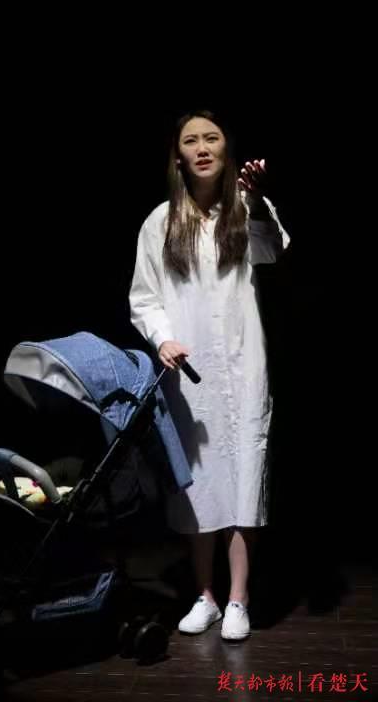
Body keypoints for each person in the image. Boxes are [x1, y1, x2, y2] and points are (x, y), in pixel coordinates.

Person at [129, 109, 290, 640]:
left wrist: (258, 202)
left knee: (244, 476)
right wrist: (162, 338)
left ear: (226, 149)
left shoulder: (245, 209)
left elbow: (273, 250)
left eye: (211, 138)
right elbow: (145, 298)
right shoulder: (159, 222)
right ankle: (206, 596)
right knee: (198, 484)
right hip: (190, 372)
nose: (201, 147)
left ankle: (239, 598)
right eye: (191, 140)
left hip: (244, 367)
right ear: (177, 156)